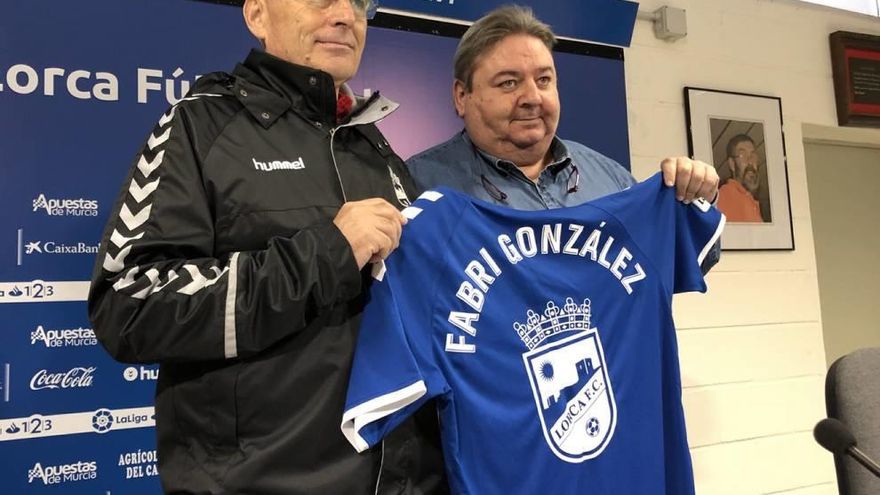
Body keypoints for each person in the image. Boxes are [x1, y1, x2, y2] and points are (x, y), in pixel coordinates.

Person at [87, 0, 446, 493]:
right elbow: (129, 304)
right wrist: (327, 254)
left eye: (360, 2)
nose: (345, 15)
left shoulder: (374, 145)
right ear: (258, 15)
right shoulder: (200, 125)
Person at [406, 6, 721, 270]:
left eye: (543, 80)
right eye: (508, 83)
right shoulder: (418, 185)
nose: (532, 97)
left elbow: (681, 262)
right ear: (462, 96)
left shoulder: (611, 179)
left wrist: (691, 196)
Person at [716, 133, 769, 222]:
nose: (750, 162)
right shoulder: (724, 196)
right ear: (732, 164)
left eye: (753, 155)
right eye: (742, 155)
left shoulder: (755, 202)